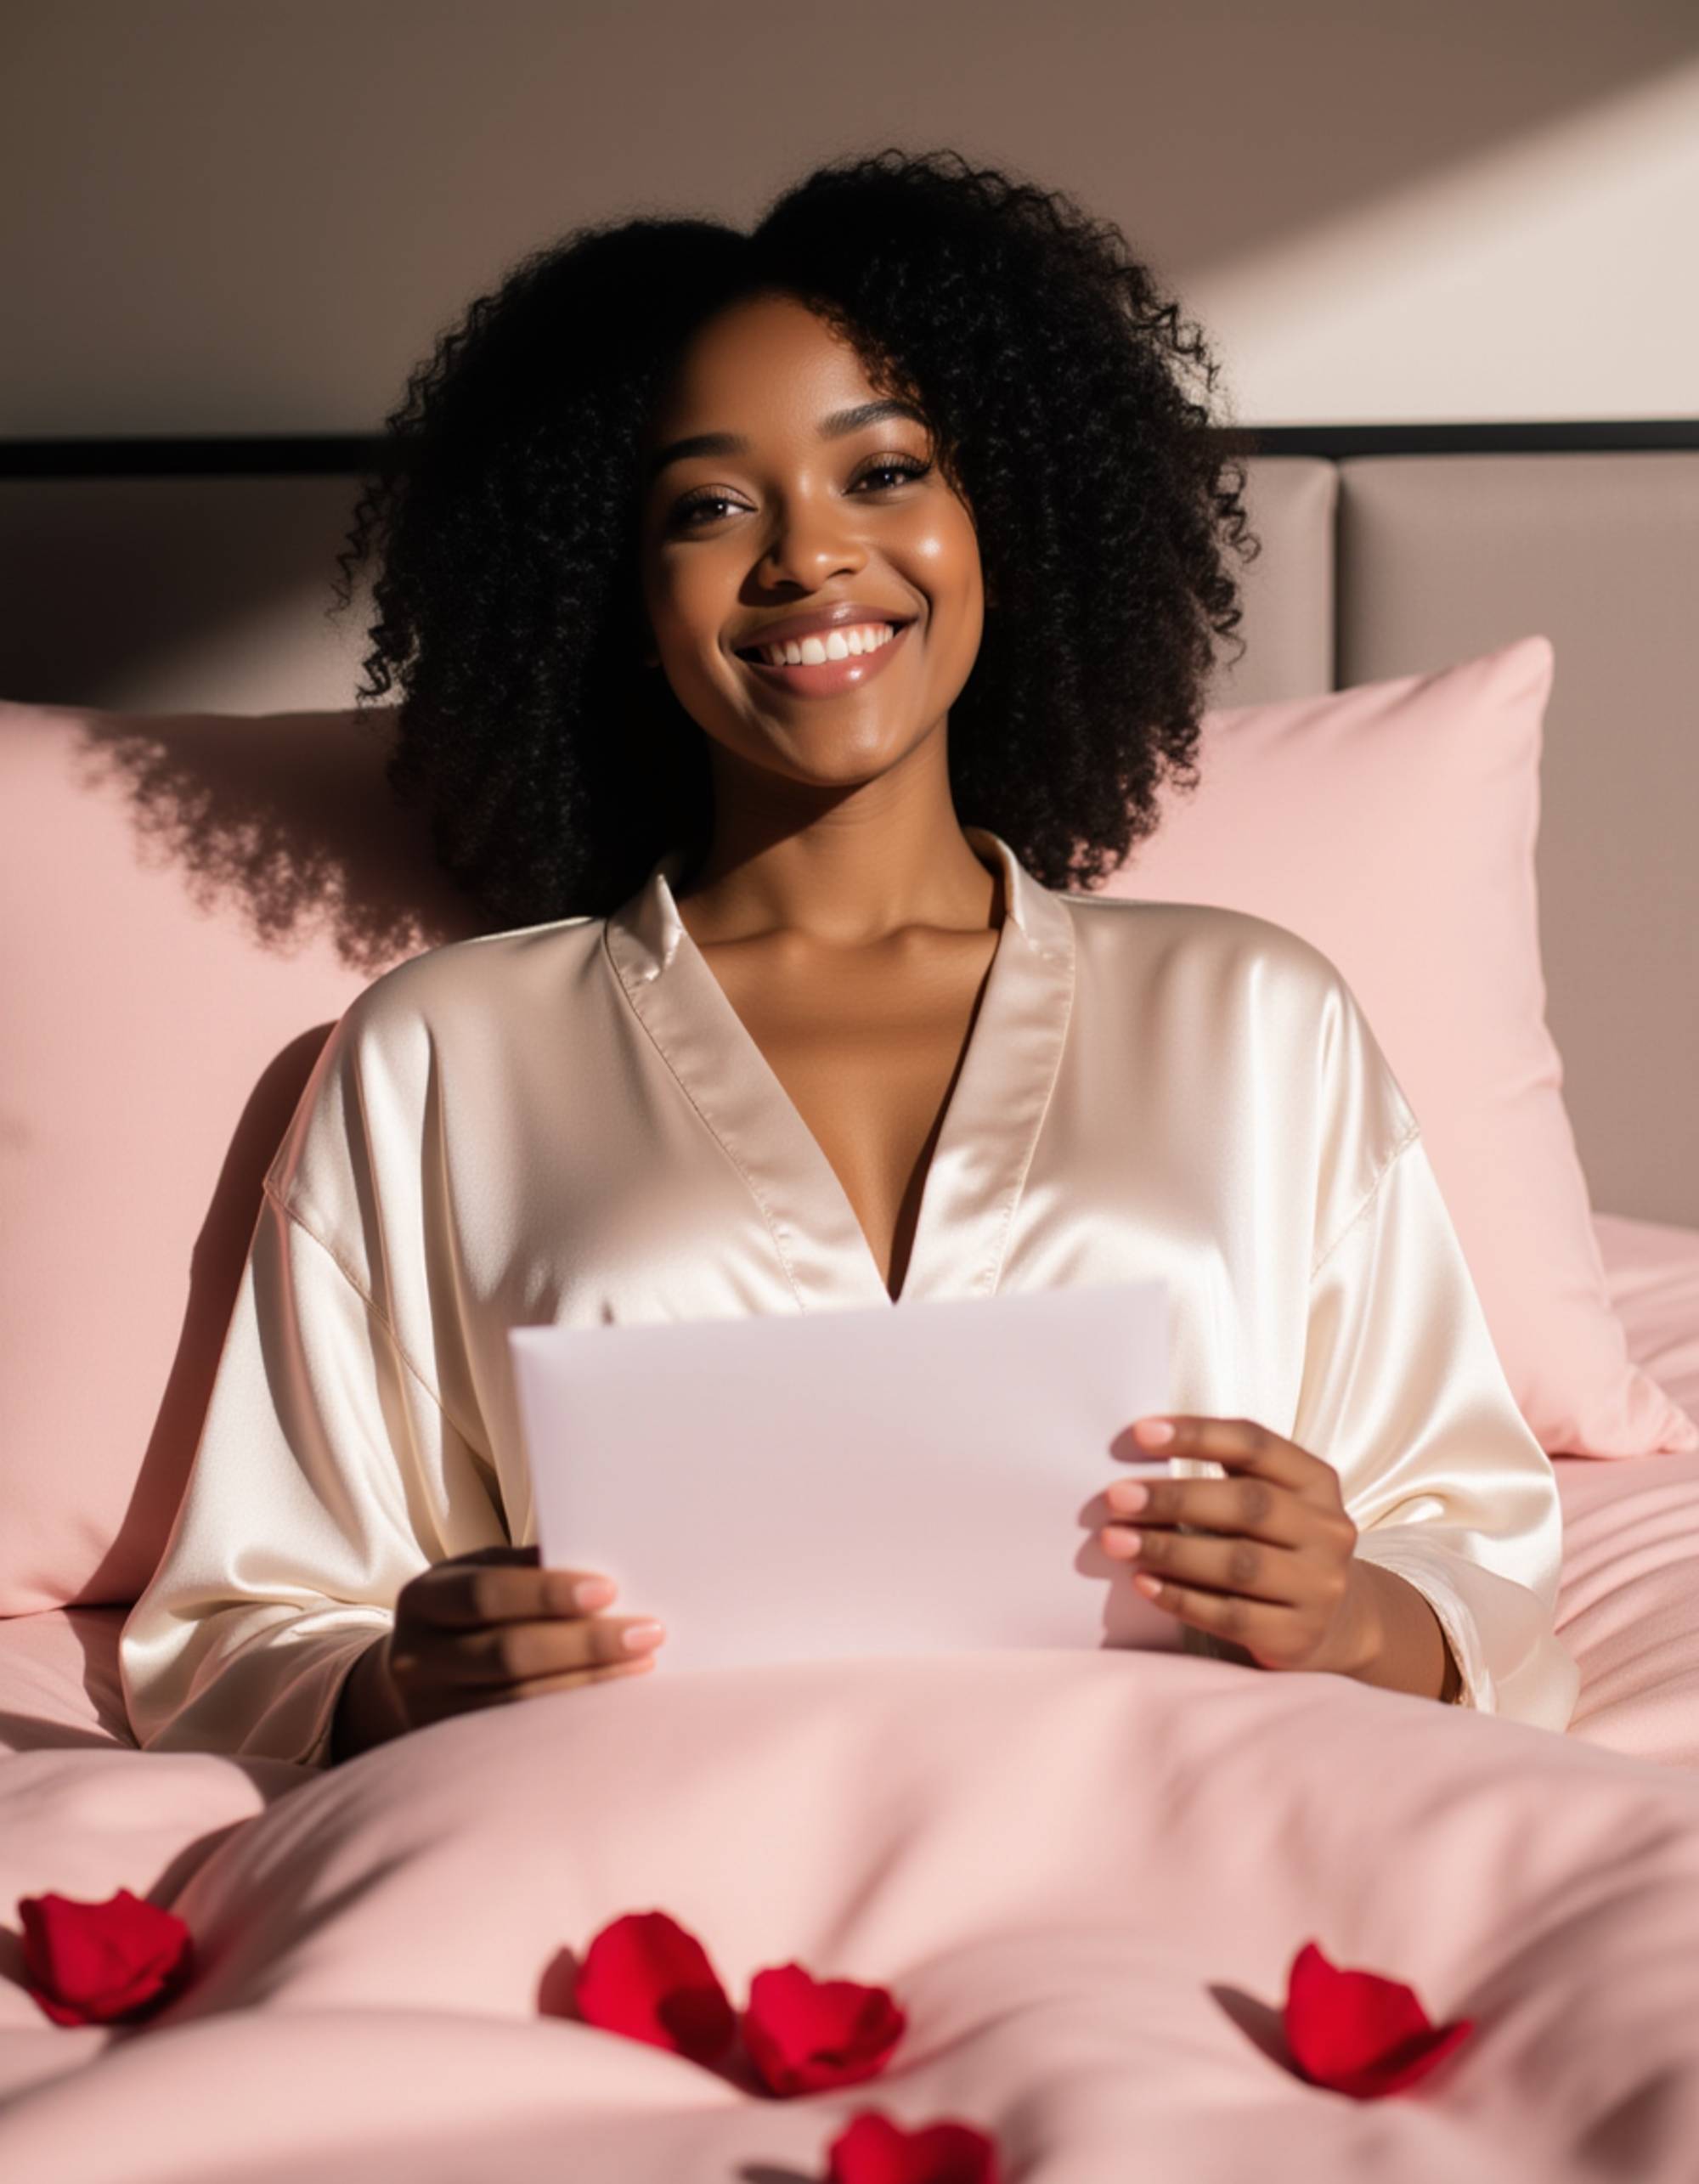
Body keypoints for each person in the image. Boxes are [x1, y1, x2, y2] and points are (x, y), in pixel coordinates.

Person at [119, 148, 1580, 1768]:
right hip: (629, 1872)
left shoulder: (1256, 1014)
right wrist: (400, 1685)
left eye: (882, 472)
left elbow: (1478, 1554)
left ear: (1006, 514)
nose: (807, 555)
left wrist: (1359, 1614)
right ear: (615, 591)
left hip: (1189, 1831)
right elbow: (240, 1631)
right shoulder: (439, 1052)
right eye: (710, 505)